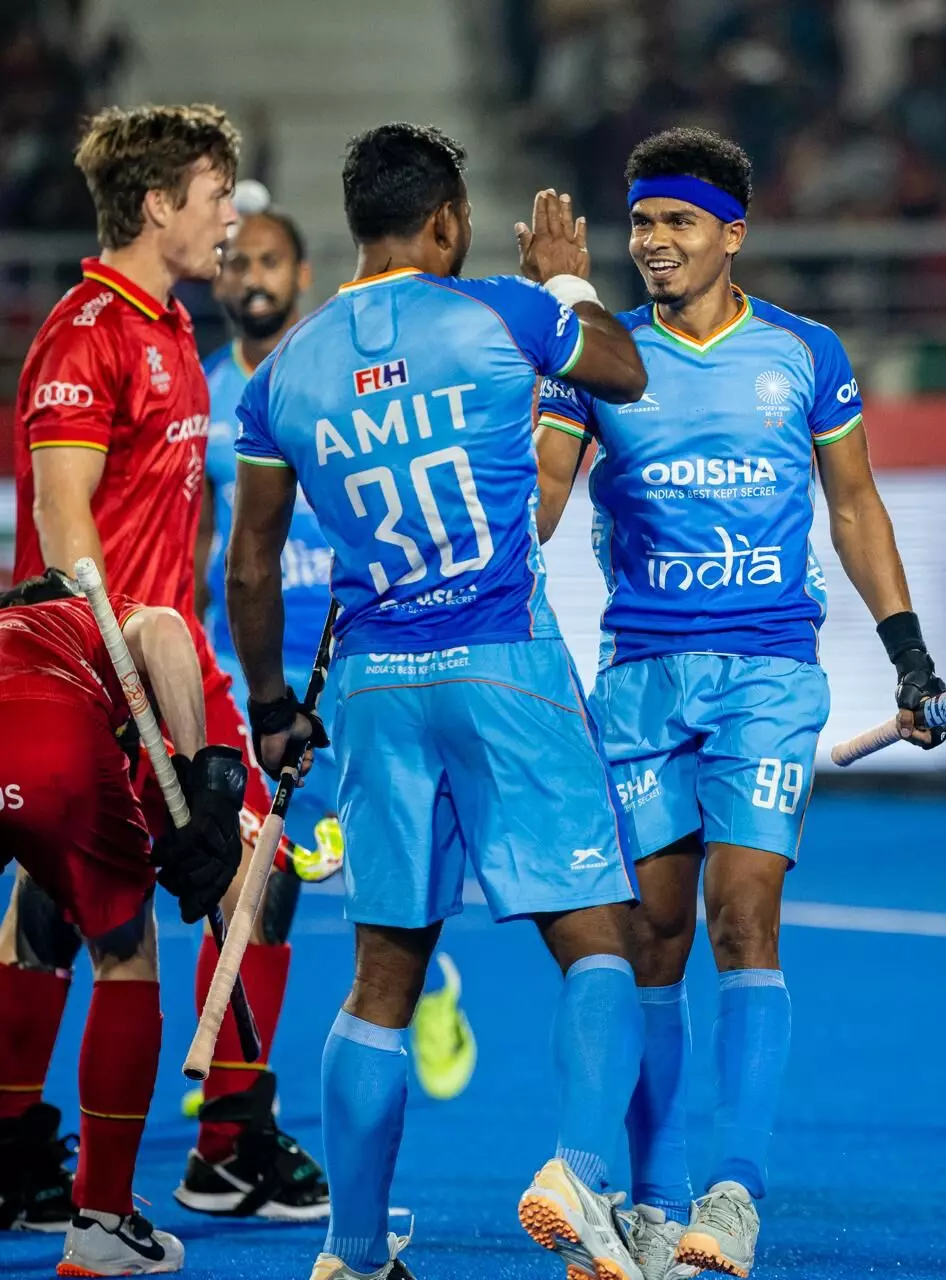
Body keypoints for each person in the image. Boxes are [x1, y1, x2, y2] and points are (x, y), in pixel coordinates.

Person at [536, 126, 946, 1280]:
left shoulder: (804, 352)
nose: (654, 242)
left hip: (768, 675)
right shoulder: (600, 354)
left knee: (742, 915)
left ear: (732, 232)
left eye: (676, 222)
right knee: (648, 938)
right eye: (640, 224)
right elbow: (536, 502)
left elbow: (856, 508)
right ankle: (647, 1204)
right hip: (637, 679)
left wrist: (908, 657)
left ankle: (731, 1197)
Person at [227, 122, 649, 1280]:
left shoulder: (282, 375)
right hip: (500, 659)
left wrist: (271, 703)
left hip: (371, 683)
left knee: (379, 975)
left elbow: (253, 564)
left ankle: (351, 1255)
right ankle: (576, 1168)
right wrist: (563, 273)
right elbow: (623, 367)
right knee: (596, 939)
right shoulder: (503, 313)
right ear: (447, 221)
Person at [5, 103, 328, 1228]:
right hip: (97, 667)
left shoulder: (171, 329)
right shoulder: (87, 330)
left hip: (167, 659)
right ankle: (196, 1145)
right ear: (156, 205)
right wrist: (143, 706)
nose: (226, 223)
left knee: (225, 879)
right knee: (105, 903)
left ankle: (203, 1140)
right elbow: (60, 524)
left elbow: (168, 532)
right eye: (210, 200)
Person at [198, 204, 477, 1104]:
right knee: (261, 874)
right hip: (253, 674)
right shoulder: (201, 393)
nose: (252, 278)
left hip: (356, 662)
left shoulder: (334, 368)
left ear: (303, 271)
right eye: (236, 263)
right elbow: (207, 541)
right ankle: (237, 1086)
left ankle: (432, 990)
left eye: (270, 260)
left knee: (378, 872)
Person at [0, 569, 247, 1275]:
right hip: (53, 741)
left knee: (20, 934)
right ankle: (103, 1221)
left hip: (39, 741)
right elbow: (167, 629)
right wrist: (209, 783)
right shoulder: (90, 618)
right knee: (125, 953)